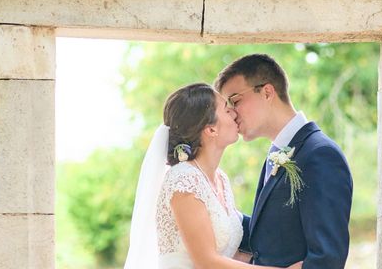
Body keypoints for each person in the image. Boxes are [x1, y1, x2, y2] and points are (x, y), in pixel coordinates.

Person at [124, 82, 303, 269]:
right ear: (211, 130)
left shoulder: (221, 179)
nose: (235, 113)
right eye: (227, 110)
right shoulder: (183, 180)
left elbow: (229, 255)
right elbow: (207, 262)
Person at [215, 54, 353, 269]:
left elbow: (327, 259)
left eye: (235, 100)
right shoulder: (278, 151)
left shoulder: (320, 154)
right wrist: (213, 210)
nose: (231, 114)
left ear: (267, 92)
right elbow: (273, 235)